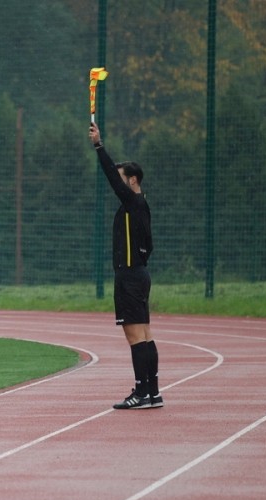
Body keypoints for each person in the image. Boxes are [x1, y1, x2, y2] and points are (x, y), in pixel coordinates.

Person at [89, 122, 163, 409]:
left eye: (122, 180)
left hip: (130, 276)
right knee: (144, 334)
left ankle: (142, 392)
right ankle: (153, 392)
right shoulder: (141, 205)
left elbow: (111, 177)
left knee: (135, 337)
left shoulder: (133, 202)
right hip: (139, 274)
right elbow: (150, 244)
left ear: (132, 180)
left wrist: (99, 145)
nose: (118, 185)